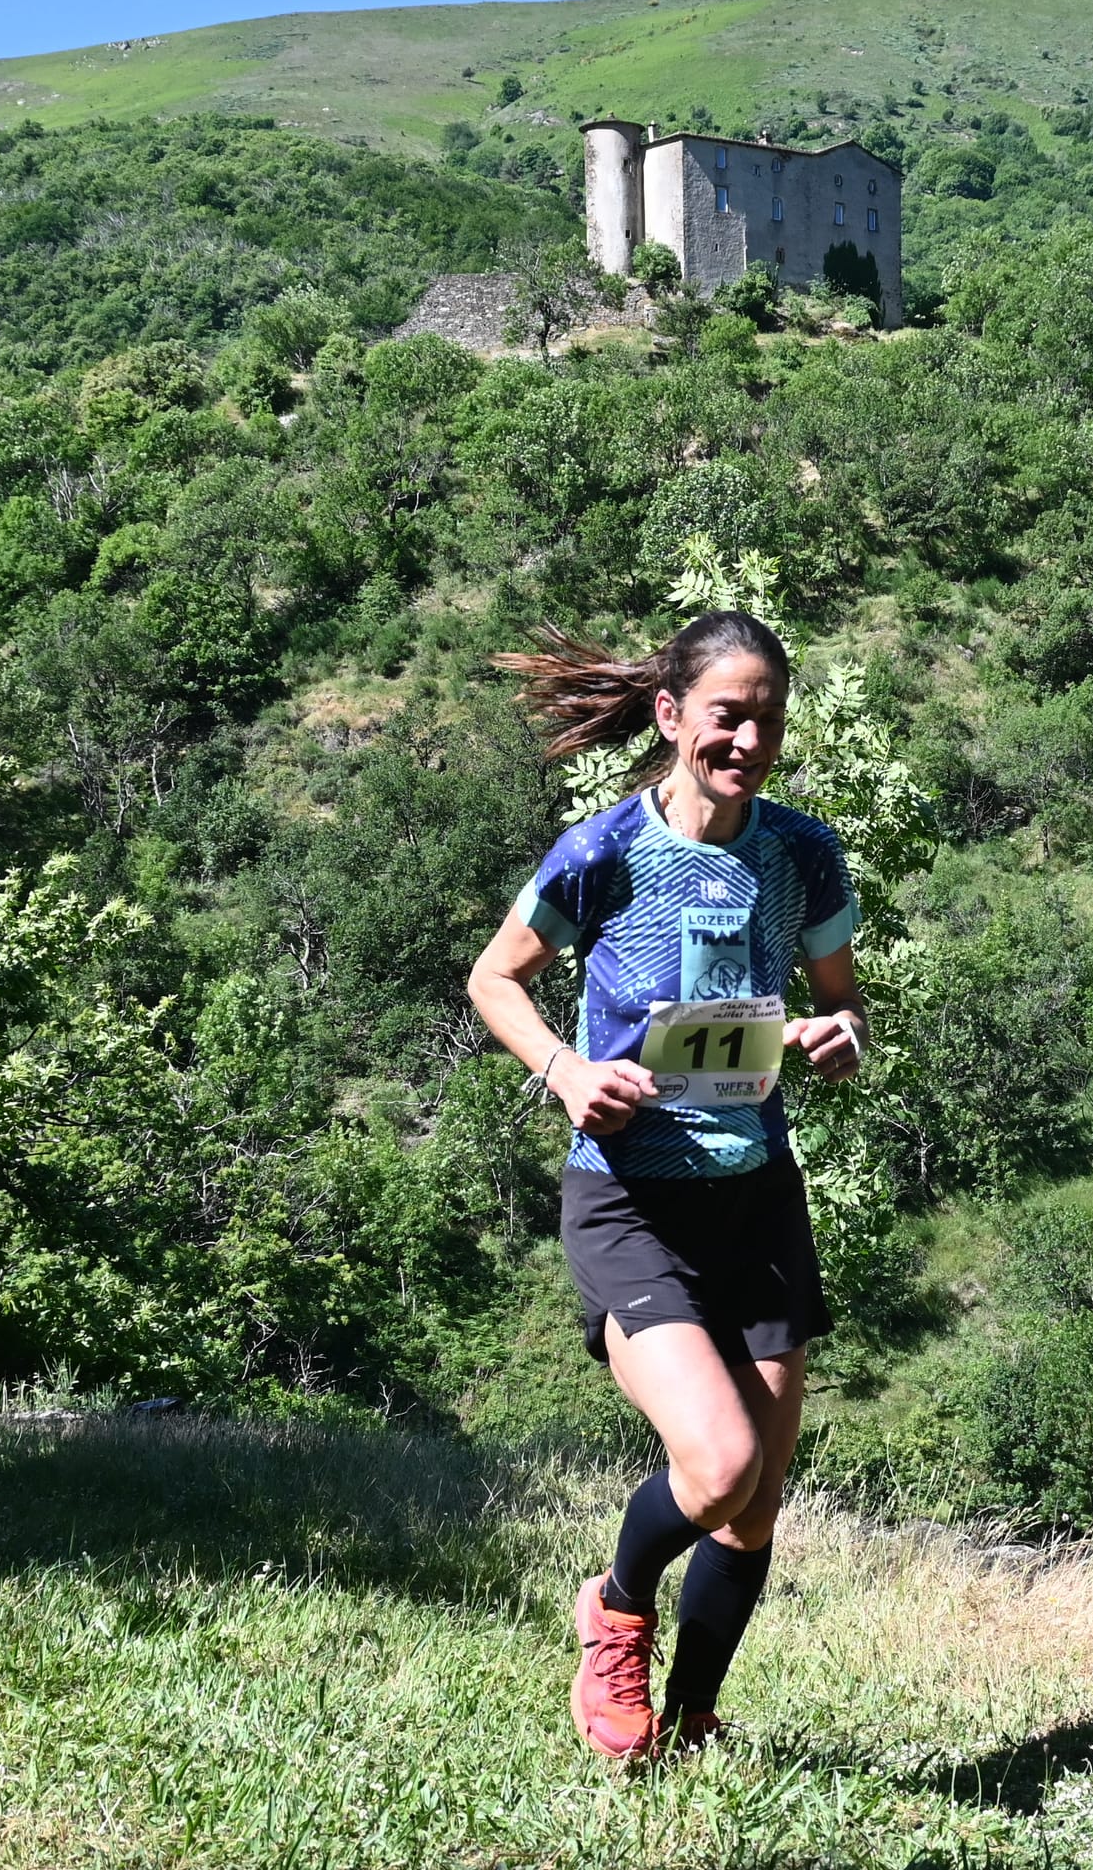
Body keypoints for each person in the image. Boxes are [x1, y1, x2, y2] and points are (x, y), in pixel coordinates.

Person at [467, 609, 866, 1758]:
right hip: (629, 1199)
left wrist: (840, 1032)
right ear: (669, 714)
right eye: (725, 715)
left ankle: (689, 1721)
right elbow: (494, 978)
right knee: (719, 1462)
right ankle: (615, 1608)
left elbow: (842, 998)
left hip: (756, 1194)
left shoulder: (802, 853)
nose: (747, 739)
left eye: (767, 720)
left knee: (754, 1500)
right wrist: (565, 1071)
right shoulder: (601, 850)